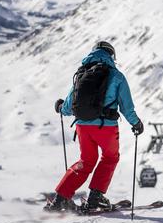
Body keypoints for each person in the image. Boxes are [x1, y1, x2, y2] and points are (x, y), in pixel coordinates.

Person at [46, 41, 144, 212]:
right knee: (110, 158)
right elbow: (126, 107)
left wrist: (60, 107)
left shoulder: (81, 74)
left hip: (82, 127)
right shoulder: (116, 76)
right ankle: (95, 197)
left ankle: (60, 199)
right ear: (111, 56)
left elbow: (69, 105)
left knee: (86, 161)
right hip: (106, 127)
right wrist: (136, 123)